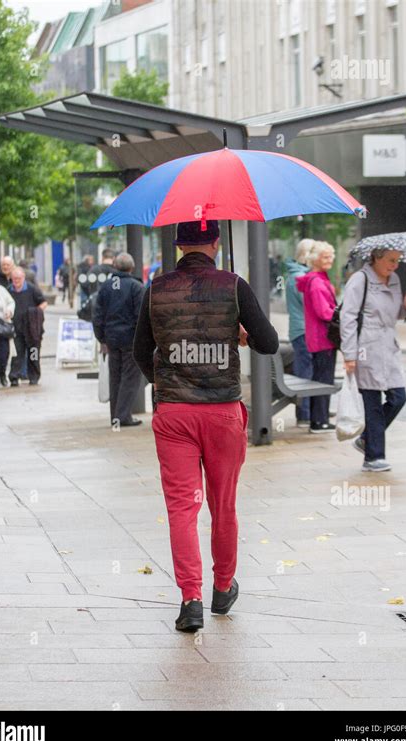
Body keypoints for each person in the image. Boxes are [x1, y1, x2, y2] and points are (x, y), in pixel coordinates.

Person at [133, 220, 279, 633]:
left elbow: (140, 350)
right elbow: (268, 343)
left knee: (182, 508)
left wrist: (164, 384)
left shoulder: (155, 289)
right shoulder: (234, 285)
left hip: (174, 414)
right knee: (223, 504)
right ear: (215, 242)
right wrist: (242, 335)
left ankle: (190, 599)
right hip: (222, 413)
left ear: (179, 244)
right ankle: (223, 587)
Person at [341, 249, 406, 472]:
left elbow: (395, 315)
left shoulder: (394, 279)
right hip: (367, 347)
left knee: (398, 398)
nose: (395, 265)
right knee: (372, 402)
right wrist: (349, 354)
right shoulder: (360, 279)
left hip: (389, 346)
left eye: (397, 261)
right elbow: (348, 318)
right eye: (391, 260)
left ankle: (366, 439)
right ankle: (374, 457)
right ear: (376, 257)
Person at [93, 253, 145, 429]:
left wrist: (102, 337)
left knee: (115, 376)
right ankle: (123, 416)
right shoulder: (136, 287)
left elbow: (97, 315)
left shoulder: (106, 287)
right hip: (130, 339)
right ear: (131, 267)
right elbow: (140, 316)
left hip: (112, 339)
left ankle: (115, 415)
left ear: (115, 266)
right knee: (130, 377)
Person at [296, 241, 337, 433]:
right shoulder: (317, 282)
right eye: (325, 256)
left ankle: (318, 419)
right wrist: (340, 314)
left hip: (317, 338)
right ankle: (319, 421)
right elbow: (324, 313)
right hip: (323, 338)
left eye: (331, 256)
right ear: (316, 259)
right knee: (323, 380)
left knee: (319, 378)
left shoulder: (315, 279)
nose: (330, 260)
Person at [285, 238, 315, 427]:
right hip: (304, 330)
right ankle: (304, 414)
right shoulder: (301, 277)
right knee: (305, 373)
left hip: (299, 329)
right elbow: (310, 305)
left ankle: (309, 410)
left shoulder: (295, 274)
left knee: (306, 370)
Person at [8, 267, 47, 387]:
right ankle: (14, 376)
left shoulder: (32, 289)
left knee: (33, 353)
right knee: (17, 353)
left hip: (32, 329)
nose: (16, 281)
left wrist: (36, 313)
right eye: (14, 278)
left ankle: (34, 376)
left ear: (23, 277)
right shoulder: (9, 290)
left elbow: (43, 302)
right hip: (16, 327)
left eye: (19, 278)